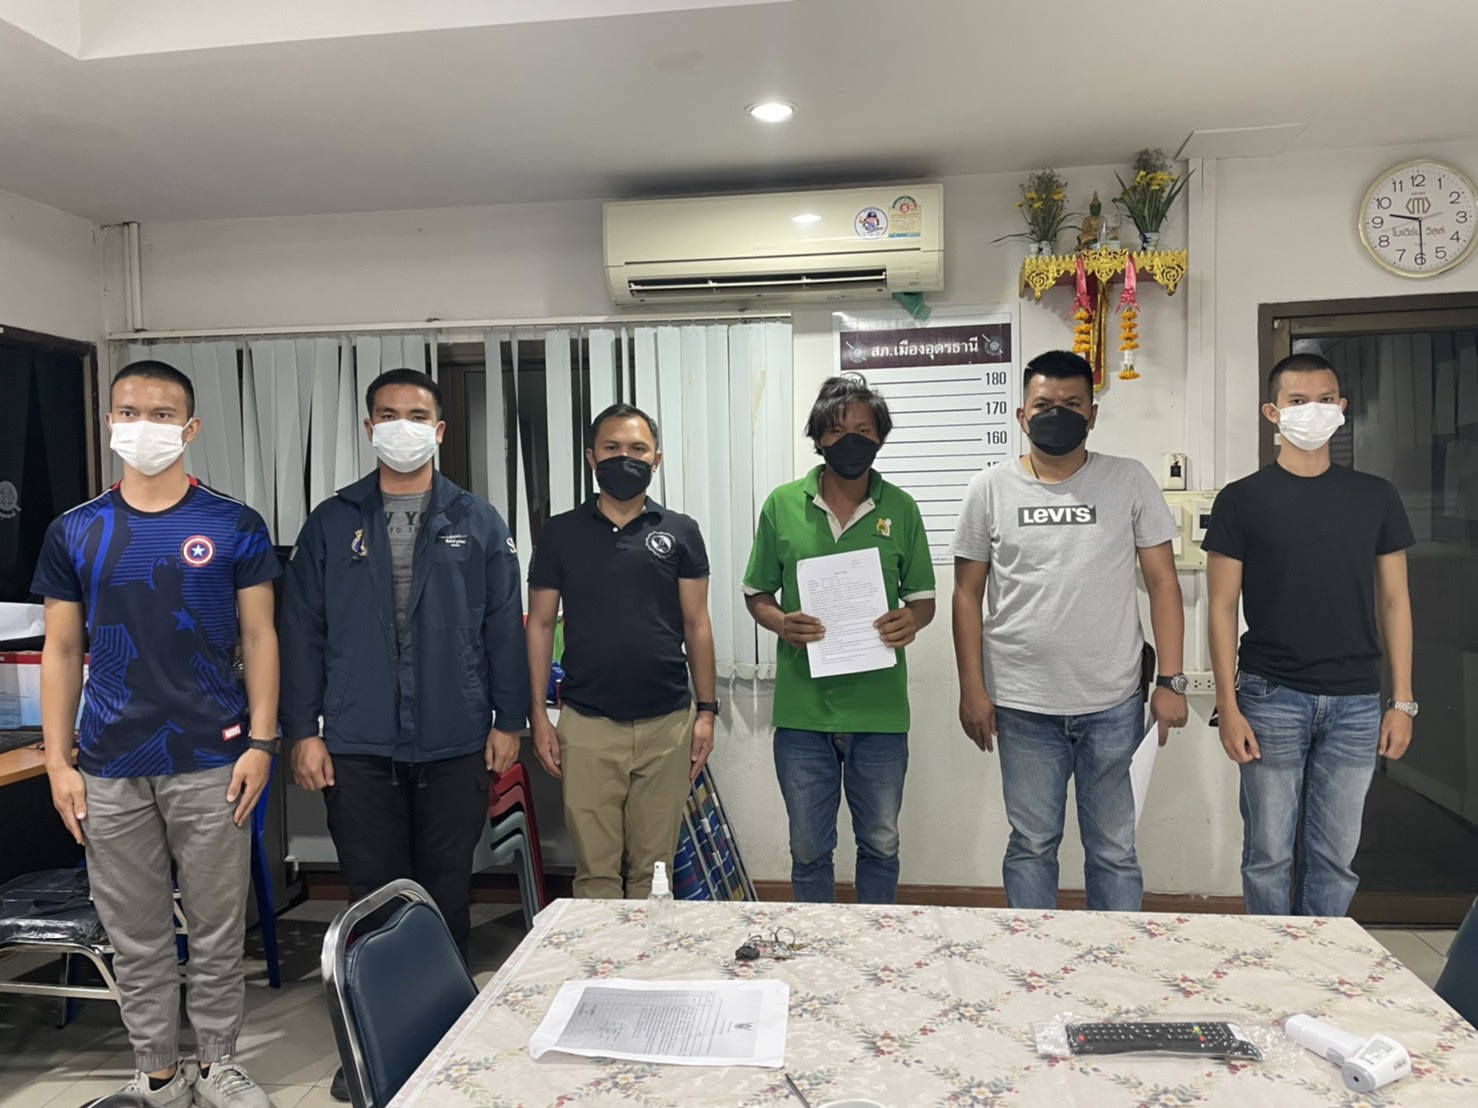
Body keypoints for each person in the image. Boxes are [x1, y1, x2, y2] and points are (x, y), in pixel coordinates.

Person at [33, 360, 281, 1108]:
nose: (144, 425)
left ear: (190, 427)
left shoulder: (234, 523)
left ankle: (218, 1065)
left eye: (162, 414)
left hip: (213, 756)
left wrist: (262, 743)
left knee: (215, 927)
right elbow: (61, 650)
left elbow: (260, 636)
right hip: (109, 762)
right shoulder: (76, 529)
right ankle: (158, 1074)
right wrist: (59, 763)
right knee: (134, 932)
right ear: (110, 422)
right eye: (130, 411)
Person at [280, 368, 529, 955]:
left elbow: (503, 628)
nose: (403, 427)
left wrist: (509, 720)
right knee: (373, 891)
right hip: (357, 741)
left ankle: (444, 1000)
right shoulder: (332, 521)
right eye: (389, 416)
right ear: (370, 429)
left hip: (454, 736)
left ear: (438, 430)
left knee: (447, 886)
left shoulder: (476, 520)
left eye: (417, 417)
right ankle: (379, 1000)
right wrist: (302, 732)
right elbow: (302, 631)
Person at [951, 349, 1186, 912]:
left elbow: (1164, 584)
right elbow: (966, 594)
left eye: (1072, 403)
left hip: (1113, 702)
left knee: (1114, 850)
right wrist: (972, 689)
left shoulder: (1128, 479)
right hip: (1022, 704)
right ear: (1021, 415)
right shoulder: (989, 488)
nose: (1057, 413)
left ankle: (1115, 956)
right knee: (1032, 845)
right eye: (1044, 404)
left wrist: (1171, 682)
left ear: (1092, 415)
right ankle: (1034, 957)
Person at [1204, 352, 1415, 917]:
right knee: (1268, 854)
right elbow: (1221, 607)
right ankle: (1273, 961)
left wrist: (1402, 702)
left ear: (1342, 408)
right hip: (1270, 695)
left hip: (1356, 700)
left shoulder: (1376, 496)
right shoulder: (1241, 499)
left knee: (1336, 858)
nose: (1312, 410)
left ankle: (1321, 959)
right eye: (1298, 401)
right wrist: (1228, 705)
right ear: (1272, 412)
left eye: (1324, 400)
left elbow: (1395, 601)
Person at [743, 375, 935, 904]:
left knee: (881, 843)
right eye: (837, 430)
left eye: (864, 430)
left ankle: (875, 938)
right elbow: (757, 593)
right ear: (818, 438)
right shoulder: (782, 505)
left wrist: (911, 621)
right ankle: (814, 942)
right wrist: (781, 622)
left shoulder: (902, 508)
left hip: (880, 714)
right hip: (803, 714)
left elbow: (923, 600)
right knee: (808, 848)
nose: (851, 441)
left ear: (880, 438)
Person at [526, 404, 716, 899]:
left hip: (667, 722)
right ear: (591, 457)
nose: (624, 457)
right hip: (587, 722)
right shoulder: (560, 533)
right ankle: (602, 951)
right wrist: (539, 716)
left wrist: (707, 712)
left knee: (654, 876)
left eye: (637, 448)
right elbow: (540, 624)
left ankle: (647, 952)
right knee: (596, 876)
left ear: (656, 459)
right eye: (611, 448)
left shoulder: (681, 531)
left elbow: (697, 623)